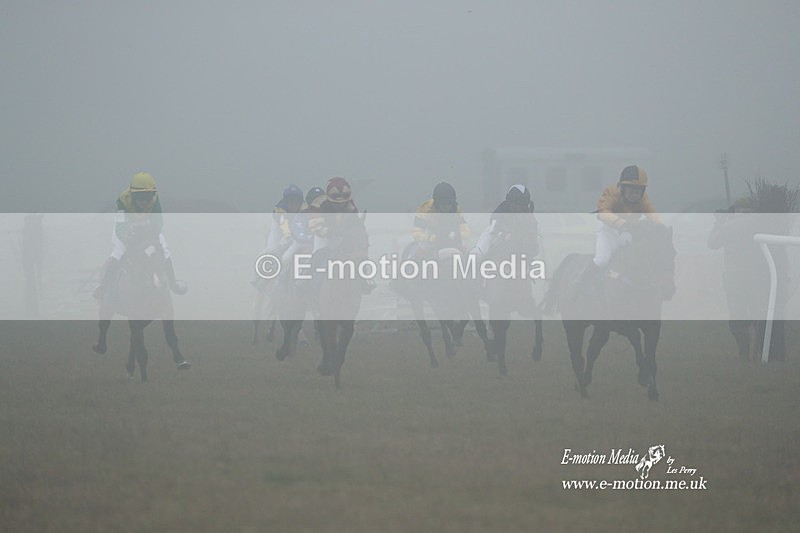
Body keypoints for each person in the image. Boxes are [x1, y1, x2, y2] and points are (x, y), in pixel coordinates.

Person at [94, 172, 185, 300]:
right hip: (126, 226)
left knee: (164, 249)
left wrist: (151, 235)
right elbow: (121, 226)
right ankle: (103, 286)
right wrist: (128, 238)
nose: (145, 201)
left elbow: (158, 222)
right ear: (132, 195)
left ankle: (173, 283)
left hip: (147, 225)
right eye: (141, 197)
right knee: (118, 252)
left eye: (148, 196)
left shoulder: (155, 200)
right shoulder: (122, 200)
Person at [576, 165, 661, 288]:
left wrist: (659, 227)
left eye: (638, 190)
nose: (635, 194)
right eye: (631, 190)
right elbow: (603, 214)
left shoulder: (644, 199)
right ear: (622, 188)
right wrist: (624, 224)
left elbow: (653, 215)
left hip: (628, 232)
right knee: (602, 259)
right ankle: (579, 284)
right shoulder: (611, 193)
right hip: (607, 231)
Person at [472, 184, 537, 259]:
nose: (520, 208)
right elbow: (494, 229)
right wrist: (504, 235)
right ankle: (474, 260)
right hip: (498, 234)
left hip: (520, 240)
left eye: (522, 205)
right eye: (518, 204)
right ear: (511, 203)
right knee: (480, 252)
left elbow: (532, 227)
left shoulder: (528, 213)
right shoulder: (500, 212)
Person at [412, 181, 470, 256]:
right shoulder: (425, 209)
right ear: (436, 202)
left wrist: (456, 236)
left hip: (451, 239)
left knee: (466, 253)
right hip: (431, 239)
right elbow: (416, 234)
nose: (447, 206)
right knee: (420, 252)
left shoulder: (456, 209)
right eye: (443, 203)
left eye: (449, 203)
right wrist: (433, 238)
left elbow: (466, 232)